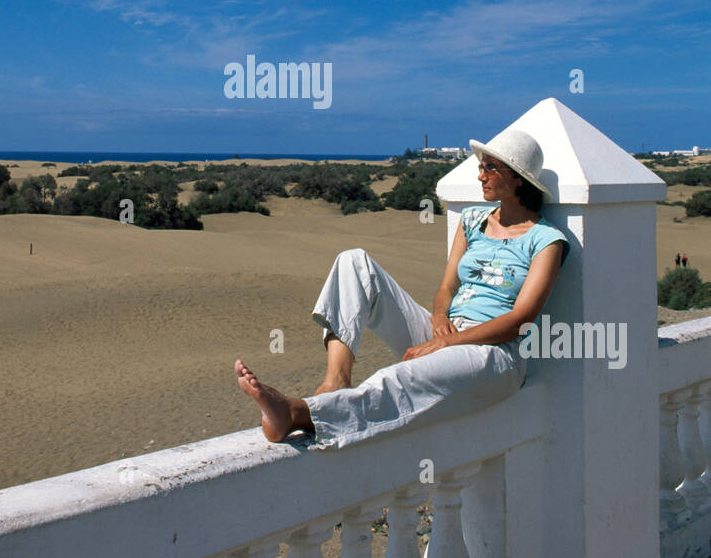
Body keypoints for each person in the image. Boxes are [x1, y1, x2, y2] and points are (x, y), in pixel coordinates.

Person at [235, 127, 570, 447]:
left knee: (399, 378)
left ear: (517, 176)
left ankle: (299, 413)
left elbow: (520, 321)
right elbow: (446, 286)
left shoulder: (546, 240)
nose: (481, 175)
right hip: (446, 334)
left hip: (495, 356)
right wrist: (439, 318)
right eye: (481, 166)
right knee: (355, 262)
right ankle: (336, 380)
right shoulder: (472, 221)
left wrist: (446, 343)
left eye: (491, 167)